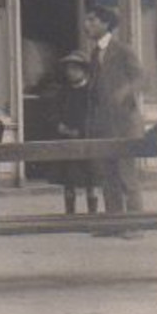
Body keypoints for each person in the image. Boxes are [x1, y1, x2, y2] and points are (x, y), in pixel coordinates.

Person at [82, 5, 146, 216]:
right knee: (107, 175)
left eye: (92, 20)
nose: (87, 25)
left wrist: (125, 92)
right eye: (87, 20)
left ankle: (135, 224)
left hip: (124, 123)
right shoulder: (95, 53)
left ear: (106, 23)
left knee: (126, 174)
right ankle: (114, 222)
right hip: (103, 124)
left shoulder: (122, 49)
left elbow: (140, 78)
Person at [49, 51, 99, 214]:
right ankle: (70, 215)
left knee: (91, 180)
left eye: (75, 69)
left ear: (84, 71)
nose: (71, 73)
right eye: (68, 69)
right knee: (68, 180)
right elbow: (54, 113)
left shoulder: (91, 93)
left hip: (87, 141)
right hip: (66, 140)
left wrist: (83, 130)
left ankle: (92, 215)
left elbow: (96, 115)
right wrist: (59, 125)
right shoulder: (63, 92)